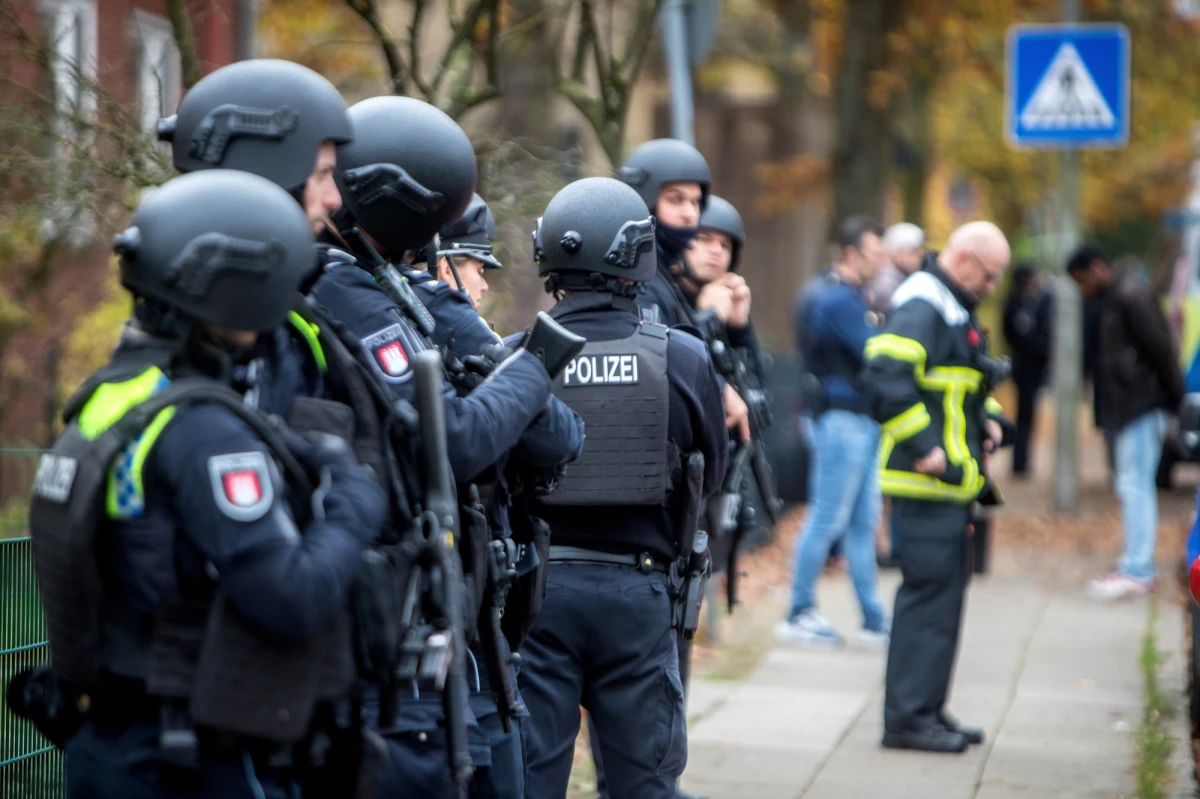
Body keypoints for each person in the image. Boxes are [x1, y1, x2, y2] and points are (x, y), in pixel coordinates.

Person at [34, 169, 387, 798]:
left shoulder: (111, 396)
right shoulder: (203, 432)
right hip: (191, 760)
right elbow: (290, 596)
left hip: (110, 742)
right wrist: (357, 499)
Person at [316, 94, 584, 797]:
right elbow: (460, 442)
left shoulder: (385, 294)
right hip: (394, 619)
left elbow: (560, 435)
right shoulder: (365, 296)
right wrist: (529, 363)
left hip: (449, 607)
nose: (481, 282)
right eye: (473, 266)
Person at [515, 176, 728, 799]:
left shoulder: (514, 356)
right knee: (645, 782)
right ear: (639, 255)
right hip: (639, 594)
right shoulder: (682, 356)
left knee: (526, 779)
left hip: (536, 595)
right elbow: (709, 473)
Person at [864, 220, 1012, 754]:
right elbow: (884, 381)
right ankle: (906, 719)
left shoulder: (949, 305)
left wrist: (992, 419)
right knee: (926, 602)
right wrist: (927, 449)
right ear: (966, 258)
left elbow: (964, 384)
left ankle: (927, 709)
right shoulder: (923, 304)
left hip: (949, 486)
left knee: (943, 602)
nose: (991, 287)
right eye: (990, 275)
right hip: (926, 483)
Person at [777, 216, 890, 648]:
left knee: (862, 522)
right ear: (849, 254)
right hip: (841, 421)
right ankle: (799, 611)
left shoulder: (848, 296)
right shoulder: (839, 300)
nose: (880, 263)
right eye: (874, 255)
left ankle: (873, 617)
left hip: (857, 420)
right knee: (828, 517)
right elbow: (875, 354)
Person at [1067, 244, 1185, 600]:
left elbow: (1161, 346)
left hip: (1141, 404)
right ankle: (1135, 564)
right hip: (1133, 404)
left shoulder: (1130, 295)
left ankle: (1138, 567)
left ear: (1097, 268)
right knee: (1132, 484)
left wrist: (1174, 398)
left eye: (1082, 279)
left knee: (1135, 485)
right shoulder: (1117, 297)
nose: (1082, 288)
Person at [619, 138, 752, 444]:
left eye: (695, 202)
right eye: (676, 200)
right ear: (646, 199)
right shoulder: (639, 282)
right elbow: (658, 366)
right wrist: (707, 319)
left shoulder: (663, 278)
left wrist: (739, 329)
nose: (690, 214)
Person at [1001, 264, 1052, 477]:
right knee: (1024, 417)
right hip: (1025, 368)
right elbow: (1020, 336)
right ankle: (1019, 464)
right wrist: (1042, 347)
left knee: (1028, 417)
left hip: (1031, 367)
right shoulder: (1017, 305)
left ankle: (1022, 462)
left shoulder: (1029, 303)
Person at [870, 222, 926, 315]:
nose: (920, 256)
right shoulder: (887, 283)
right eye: (914, 251)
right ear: (898, 253)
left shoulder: (904, 278)